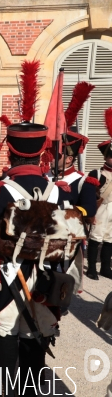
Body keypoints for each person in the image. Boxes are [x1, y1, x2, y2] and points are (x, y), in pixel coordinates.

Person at [0, 119, 78, 396]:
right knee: (35, 329)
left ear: (10, 151)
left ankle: (5, 386)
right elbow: (73, 236)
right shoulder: (59, 191)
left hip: (7, 273)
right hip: (48, 275)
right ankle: (30, 388)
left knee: (5, 329)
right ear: (41, 152)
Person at [86, 107, 112, 280]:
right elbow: (90, 195)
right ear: (106, 157)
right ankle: (92, 269)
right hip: (100, 207)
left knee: (110, 238)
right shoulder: (96, 173)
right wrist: (91, 212)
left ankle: (105, 267)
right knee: (95, 238)